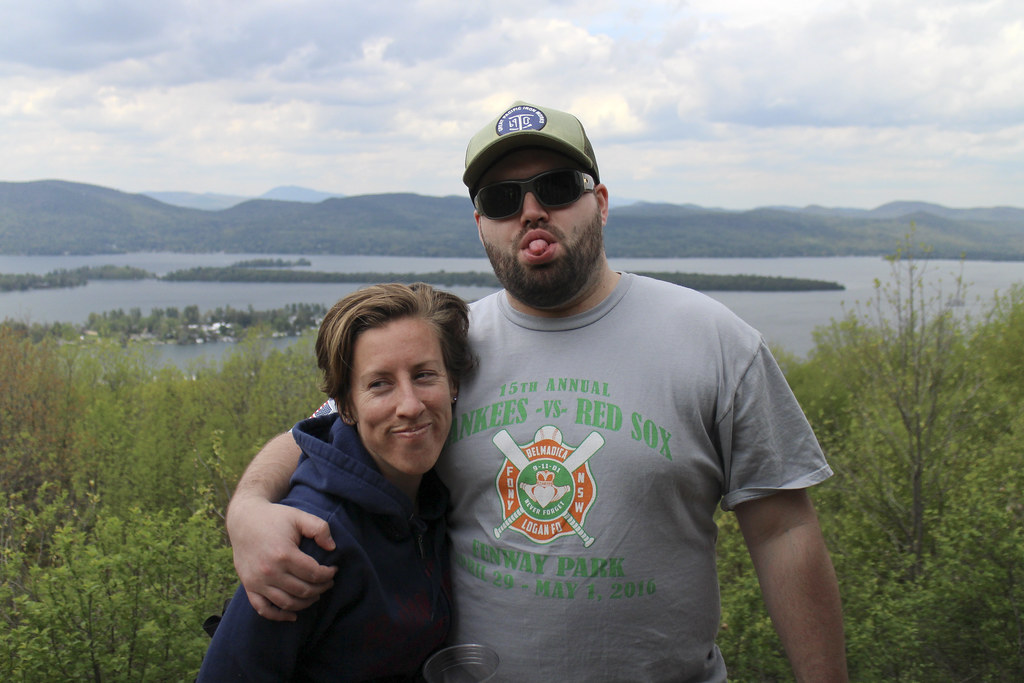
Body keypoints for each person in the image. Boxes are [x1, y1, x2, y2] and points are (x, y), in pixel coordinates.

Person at [225, 102, 848, 682]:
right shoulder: (443, 351)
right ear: (480, 225)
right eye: (501, 199)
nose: (530, 211)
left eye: (555, 187)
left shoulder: (716, 342)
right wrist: (248, 508)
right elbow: (320, 433)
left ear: (599, 202)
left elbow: (783, 532)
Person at [198, 283, 473, 681]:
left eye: (424, 374)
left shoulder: (430, 498)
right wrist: (245, 505)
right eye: (380, 384)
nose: (410, 405)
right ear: (345, 406)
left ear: (454, 386)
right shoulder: (313, 540)